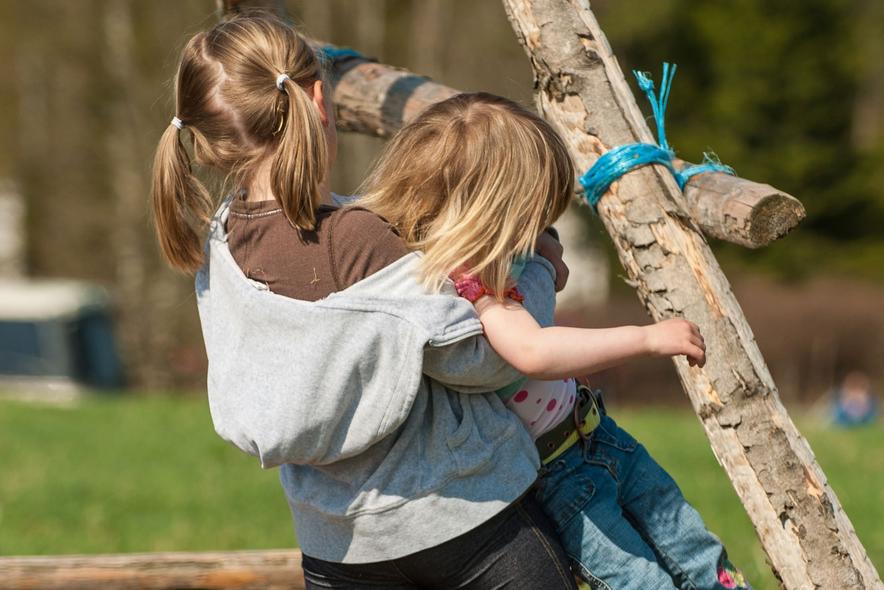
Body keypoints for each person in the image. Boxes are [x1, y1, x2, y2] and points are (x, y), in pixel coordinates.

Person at [150, 15, 579, 589]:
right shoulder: (360, 238)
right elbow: (484, 358)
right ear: (319, 101)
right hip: (465, 520)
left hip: (336, 548)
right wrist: (538, 272)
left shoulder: (219, 250)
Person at [360, 93, 750, 590]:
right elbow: (535, 352)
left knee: (695, 549)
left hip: (599, 435)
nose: (540, 225)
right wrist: (646, 339)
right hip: (562, 475)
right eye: (532, 210)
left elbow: (545, 268)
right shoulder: (473, 289)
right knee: (640, 581)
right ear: (493, 206)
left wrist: (543, 246)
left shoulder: (501, 255)